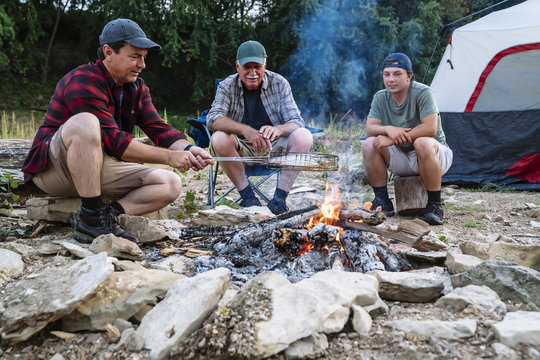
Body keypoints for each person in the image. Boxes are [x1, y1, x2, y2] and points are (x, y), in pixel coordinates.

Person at [22, 18, 213, 244]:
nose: (142, 64)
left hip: (97, 166)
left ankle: (101, 218)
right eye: (135, 56)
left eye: (143, 57)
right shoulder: (82, 80)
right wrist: (171, 157)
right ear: (108, 52)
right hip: (55, 170)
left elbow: (158, 128)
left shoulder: (137, 88)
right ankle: (93, 214)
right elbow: (115, 142)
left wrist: (190, 149)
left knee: (171, 183)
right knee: (86, 123)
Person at [206, 40, 313, 215]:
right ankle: (248, 198)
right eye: (247, 67)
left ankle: (279, 200)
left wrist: (278, 129)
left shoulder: (279, 83)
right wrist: (246, 130)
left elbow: (296, 120)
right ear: (237, 66)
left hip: (276, 147)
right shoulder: (226, 85)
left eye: (257, 66)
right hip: (241, 148)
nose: (253, 73)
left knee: (304, 135)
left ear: (265, 64)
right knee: (219, 137)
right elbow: (213, 118)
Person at [362, 52, 453, 225]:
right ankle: (382, 201)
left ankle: (434, 205)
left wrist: (392, 139)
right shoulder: (380, 97)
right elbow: (370, 129)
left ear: (409, 76)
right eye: (387, 74)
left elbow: (430, 128)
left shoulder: (423, 92)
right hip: (402, 158)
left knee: (422, 142)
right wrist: (389, 129)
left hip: (434, 155)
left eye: (397, 74)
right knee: (369, 144)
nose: (391, 79)